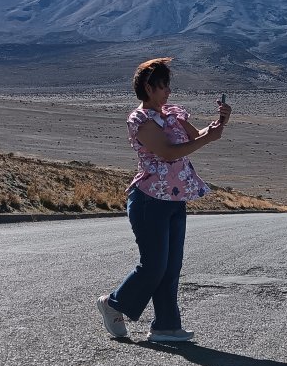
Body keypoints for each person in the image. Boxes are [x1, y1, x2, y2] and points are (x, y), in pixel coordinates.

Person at [97, 57, 231, 342]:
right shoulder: (141, 119)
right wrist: (206, 140)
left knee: (171, 266)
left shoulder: (173, 114)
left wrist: (220, 123)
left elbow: (196, 137)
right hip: (148, 200)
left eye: (168, 85)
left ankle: (166, 326)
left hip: (174, 198)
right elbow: (169, 152)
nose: (168, 91)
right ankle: (113, 304)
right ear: (148, 87)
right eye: (162, 86)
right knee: (154, 265)